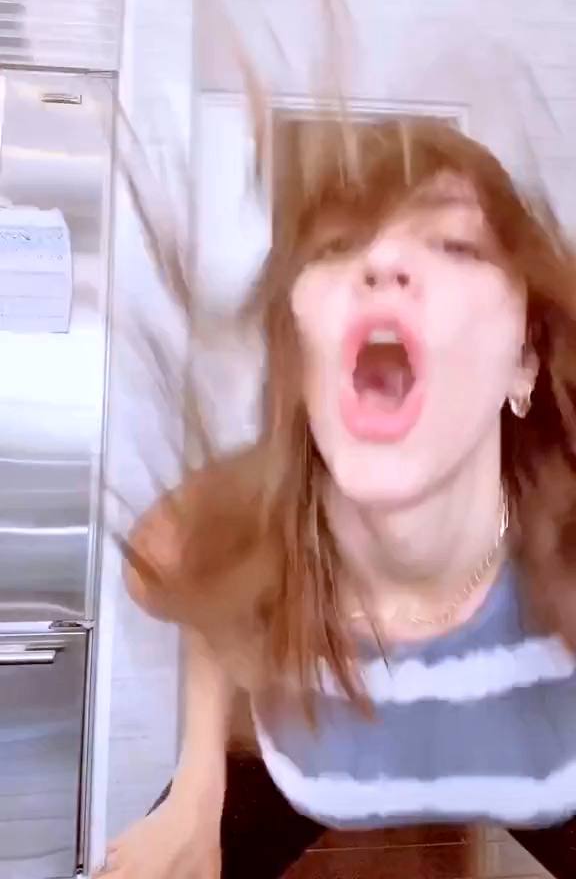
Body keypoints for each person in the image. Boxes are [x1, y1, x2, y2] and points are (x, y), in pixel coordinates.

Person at [96, 115, 576, 878]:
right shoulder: (245, 525)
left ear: (523, 362)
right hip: (316, 751)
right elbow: (196, 593)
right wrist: (196, 787)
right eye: (339, 245)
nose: (382, 262)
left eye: (455, 245)